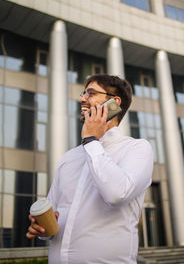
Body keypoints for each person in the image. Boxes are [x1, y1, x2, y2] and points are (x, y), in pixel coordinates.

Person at [26, 74, 153, 264]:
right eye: (83, 93)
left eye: (90, 93)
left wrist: (91, 140)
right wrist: (43, 229)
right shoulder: (69, 158)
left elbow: (117, 194)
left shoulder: (137, 148)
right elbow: (54, 219)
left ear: (114, 102)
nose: (82, 99)